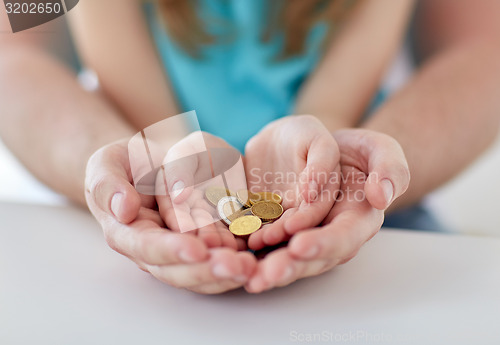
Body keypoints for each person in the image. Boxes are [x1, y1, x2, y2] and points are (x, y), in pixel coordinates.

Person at [0, 0, 499, 294]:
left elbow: (484, 47)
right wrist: (150, 152)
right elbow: (14, 39)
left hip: (362, 202)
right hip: (133, 198)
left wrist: (336, 143)